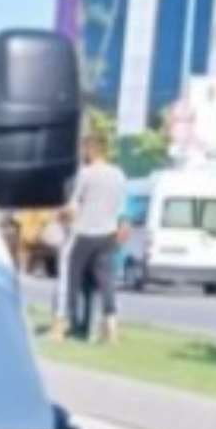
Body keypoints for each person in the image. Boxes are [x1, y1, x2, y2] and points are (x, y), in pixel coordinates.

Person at [65, 131, 127, 343]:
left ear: (90, 150)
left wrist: (63, 217)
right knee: (106, 282)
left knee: (75, 281)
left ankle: (76, 325)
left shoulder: (85, 174)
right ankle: (111, 326)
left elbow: (74, 205)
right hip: (108, 234)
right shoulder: (118, 175)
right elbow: (121, 206)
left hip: (85, 233)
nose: (82, 153)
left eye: (84, 149)